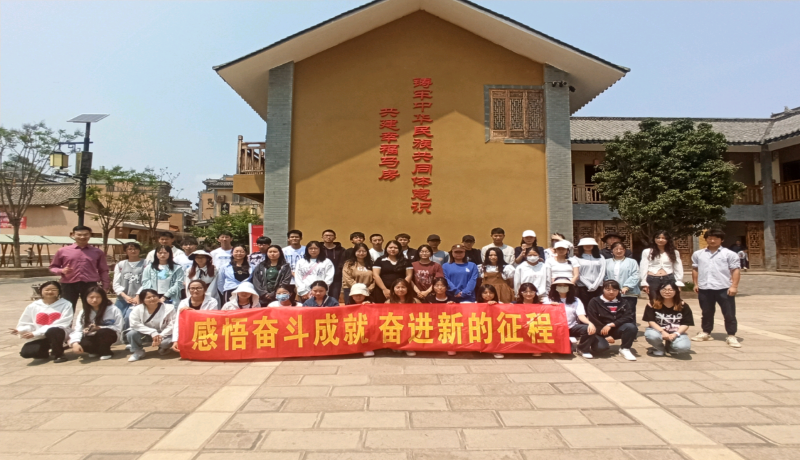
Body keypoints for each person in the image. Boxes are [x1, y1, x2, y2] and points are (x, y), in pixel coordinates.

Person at [691, 228, 741, 348]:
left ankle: (731, 335)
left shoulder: (729, 254)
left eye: (715, 238)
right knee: (706, 312)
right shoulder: (698, 254)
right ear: (706, 239)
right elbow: (695, 269)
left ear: (721, 240)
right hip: (705, 288)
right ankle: (706, 332)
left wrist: (734, 286)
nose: (712, 240)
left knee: (729, 313)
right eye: (710, 238)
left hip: (724, 288)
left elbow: (735, 270)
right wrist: (696, 284)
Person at [49, 225, 109, 313]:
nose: (82, 237)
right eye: (79, 234)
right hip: (69, 284)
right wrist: (62, 271)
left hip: (90, 284)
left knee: (91, 309)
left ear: (90, 235)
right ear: (73, 235)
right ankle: (66, 322)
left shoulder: (97, 252)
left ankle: (89, 322)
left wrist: (105, 286)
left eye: (86, 234)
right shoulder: (62, 251)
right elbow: (53, 267)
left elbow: (103, 270)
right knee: (66, 309)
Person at [12, 281, 73, 363]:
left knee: (53, 330)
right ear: (41, 291)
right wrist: (20, 330)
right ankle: (44, 352)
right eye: (47, 290)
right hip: (40, 336)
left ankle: (58, 354)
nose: (50, 292)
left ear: (59, 291)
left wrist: (36, 333)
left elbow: (62, 323)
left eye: (54, 289)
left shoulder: (66, 304)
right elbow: (28, 323)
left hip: (58, 334)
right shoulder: (33, 306)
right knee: (27, 353)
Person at [546, 278, 598, 359]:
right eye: (559, 285)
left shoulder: (576, 300)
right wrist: (549, 307)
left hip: (571, 327)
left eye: (565, 286)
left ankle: (583, 349)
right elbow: (542, 314)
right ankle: (567, 342)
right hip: (555, 329)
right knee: (565, 352)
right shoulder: (548, 300)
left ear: (569, 287)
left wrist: (590, 323)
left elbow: (581, 315)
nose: (562, 287)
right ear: (555, 287)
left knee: (588, 328)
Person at [586, 280, 637, 361]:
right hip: (599, 330)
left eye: (615, 290)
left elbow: (628, 317)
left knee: (631, 327)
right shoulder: (594, 301)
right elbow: (593, 320)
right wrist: (606, 335)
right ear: (603, 289)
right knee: (600, 348)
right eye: (608, 289)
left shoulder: (624, 302)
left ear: (619, 290)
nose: (611, 292)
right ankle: (593, 343)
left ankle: (625, 349)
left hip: (616, 328)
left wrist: (612, 324)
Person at [68, 286, 123, 360]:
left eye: (98, 297)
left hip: (109, 335)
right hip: (91, 335)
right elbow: (78, 330)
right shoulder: (83, 312)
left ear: (103, 297)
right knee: (83, 343)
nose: (94, 300)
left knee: (103, 332)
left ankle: (106, 352)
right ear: (86, 298)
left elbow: (119, 327)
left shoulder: (113, 309)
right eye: (91, 297)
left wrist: (99, 328)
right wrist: (75, 343)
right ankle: (95, 351)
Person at [643, 281, 694, 356]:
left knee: (683, 348)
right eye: (664, 289)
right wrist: (662, 332)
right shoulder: (652, 304)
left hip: (676, 332)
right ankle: (659, 348)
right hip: (658, 331)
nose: (667, 292)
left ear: (676, 291)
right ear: (659, 291)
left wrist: (676, 334)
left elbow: (686, 324)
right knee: (651, 335)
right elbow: (651, 322)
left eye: (670, 290)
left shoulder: (683, 305)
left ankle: (670, 347)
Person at [127, 289, 176, 361]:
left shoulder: (169, 308)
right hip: (146, 333)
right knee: (131, 333)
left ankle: (164, 348)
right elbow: (134, 324)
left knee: (165, 343)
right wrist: (152, 332)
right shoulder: (137, 309)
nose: (152, 299)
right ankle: (138, 351)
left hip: (164, 333)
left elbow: (172, 324)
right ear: (143, 300)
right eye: (148, 297)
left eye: (154, 296)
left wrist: (161, 336)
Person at [171, 280, 219, 352]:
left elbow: (212, 318)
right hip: (189, 330)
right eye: (192, 288)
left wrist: (194, 312)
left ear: (205, 289)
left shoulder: (212, 301)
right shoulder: (183, 302)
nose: (195, 291)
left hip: (206, 330)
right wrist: (175, 340)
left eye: (199, 288)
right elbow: (178, 322)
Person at [112, 242, 146, 341]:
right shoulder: (121, 264)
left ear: (139, 250)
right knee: (118, 317)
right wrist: (125, 296)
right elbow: (116, 283)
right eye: (130, 249)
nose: (133, 251)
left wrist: (138, 295)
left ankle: (130, 338)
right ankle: (118, 338)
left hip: (138, 297)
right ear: (125, 251)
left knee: (130, 317)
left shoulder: (146, 263)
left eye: (135, 249)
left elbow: (147, 281)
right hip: (123, 297)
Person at [640, 230, 684, 297]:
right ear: (654, 239)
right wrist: (644, 282)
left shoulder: (674, 252)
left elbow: (678, 267)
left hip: (669, 278)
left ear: (667, 239)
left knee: (669, 299)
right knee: (654, 300)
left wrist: (679, 282)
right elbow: (643, 267)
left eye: (663, 238)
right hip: (652, 279)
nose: (660, 240)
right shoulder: (647, 252)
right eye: (658, 238)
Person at [605, 242, 641, 319]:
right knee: (613, 313)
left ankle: (630, 326)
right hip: (612, 292)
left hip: (629, 293)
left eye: (621, 249)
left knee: (629, 313)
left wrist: (627, 286)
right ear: (612, 250)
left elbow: (636, 275)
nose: (619, 251)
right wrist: (610, 287)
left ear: (624, 250)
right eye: (616, 249)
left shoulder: (632, 262)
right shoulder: (606, 262)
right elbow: (604, 275)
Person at [575, 238, 606, 307]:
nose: (588, 246)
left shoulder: (600, 257)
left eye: (590, 244)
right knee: (584, 306)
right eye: (585, 244)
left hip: (598, 287)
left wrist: (595, 285)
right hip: (582, 287)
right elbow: (577, 273)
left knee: (597, 307)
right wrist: (589, 285)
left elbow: (602, 272)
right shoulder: (576, 258)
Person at [321, 229, 346, 301]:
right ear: (322, 237)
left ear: (335, 237)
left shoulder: (341, 250)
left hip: (336, 278)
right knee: (321, 297)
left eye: (331, 235)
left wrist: (338, 272)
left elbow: (342, 262)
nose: (328, 237)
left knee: (334, 297)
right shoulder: (319, 249)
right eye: (326, 235)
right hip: (322, 277)